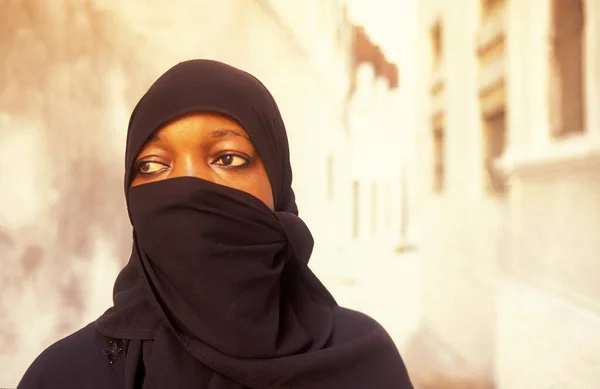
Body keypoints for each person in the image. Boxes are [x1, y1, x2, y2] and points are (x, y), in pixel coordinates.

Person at [18, 59, 413, 389]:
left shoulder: (363, 365)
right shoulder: (64, 376)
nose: (188, 187)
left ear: (277, 185)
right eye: (154, 165)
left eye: (227, 158)